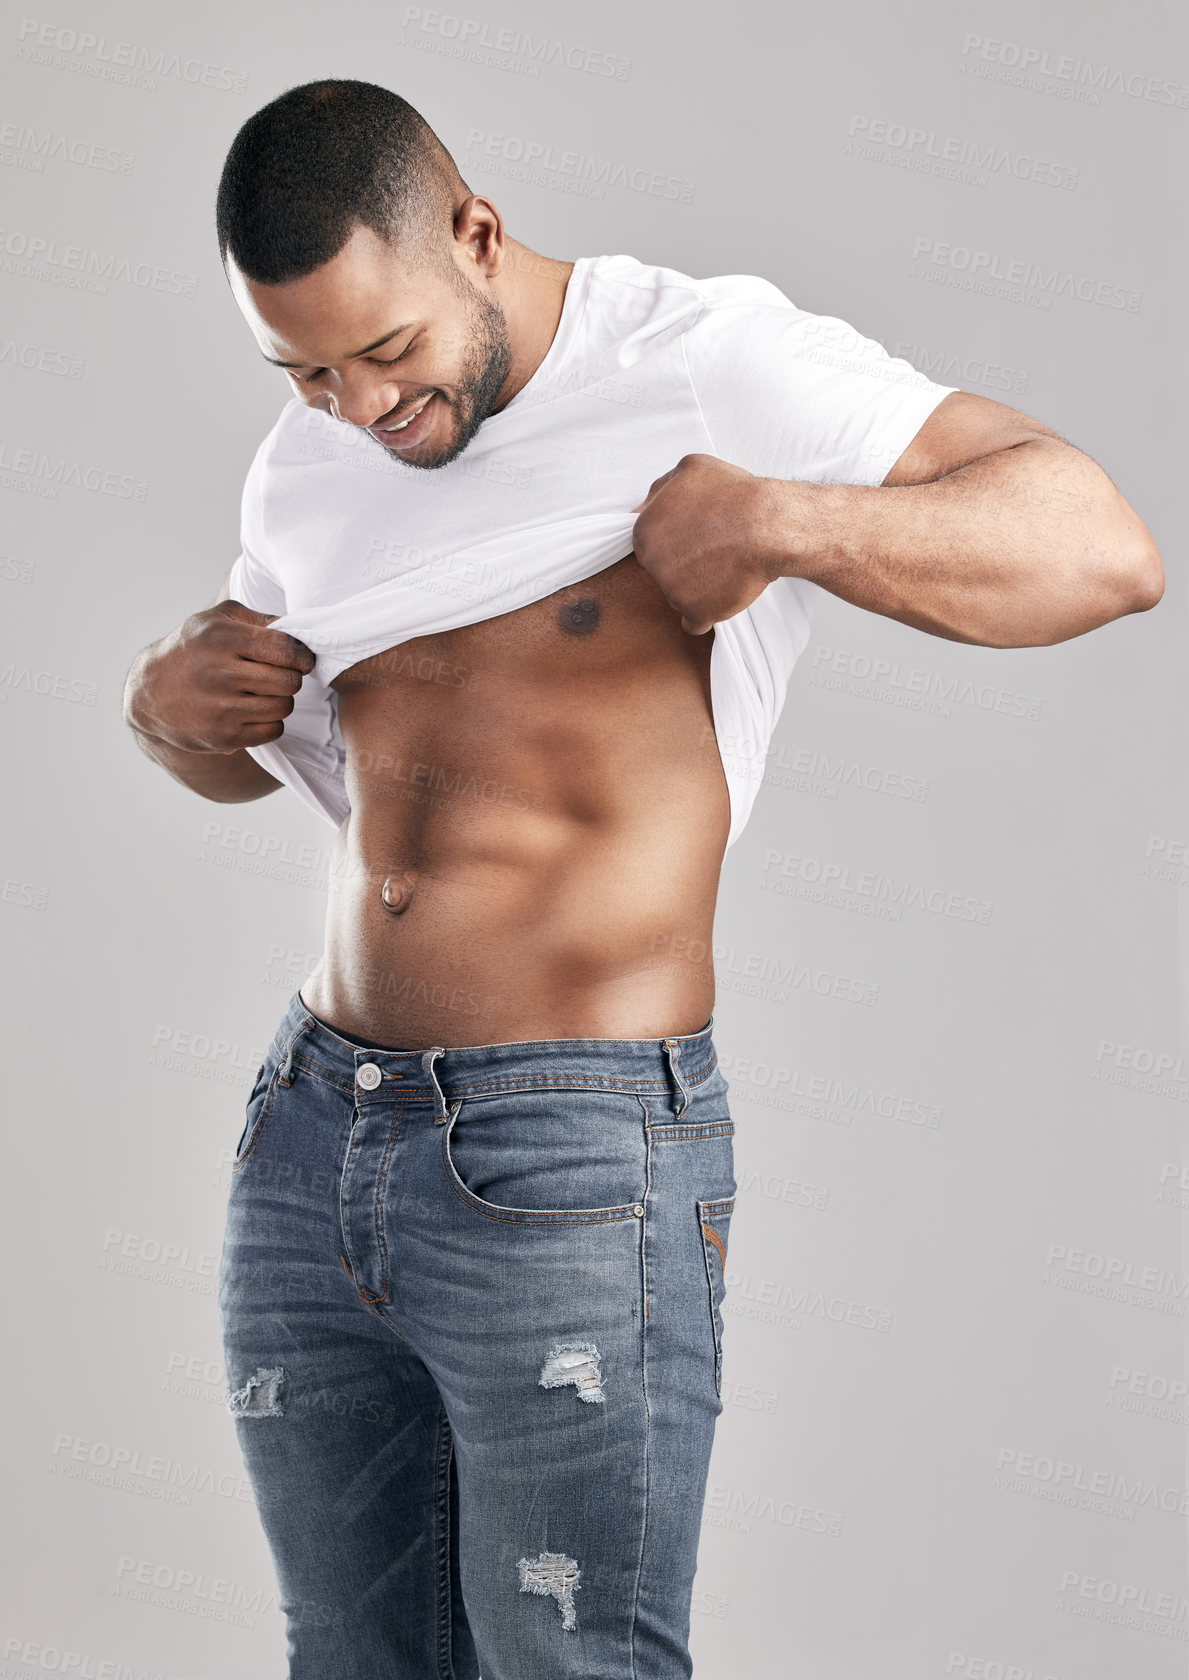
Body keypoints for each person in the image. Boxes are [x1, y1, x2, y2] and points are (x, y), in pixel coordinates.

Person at [121, 79, 1163, 1680]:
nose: (354, 407)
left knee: (572, 1663)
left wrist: (788, 521)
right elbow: (273, 755)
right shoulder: (308, 460)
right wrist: (168, 718)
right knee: (348, 1659)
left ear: (472, 230)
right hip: (311, 1128)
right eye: (305, 370)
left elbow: (1097, 548)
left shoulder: (697, 358)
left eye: (385, 353)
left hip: (567, 1144)